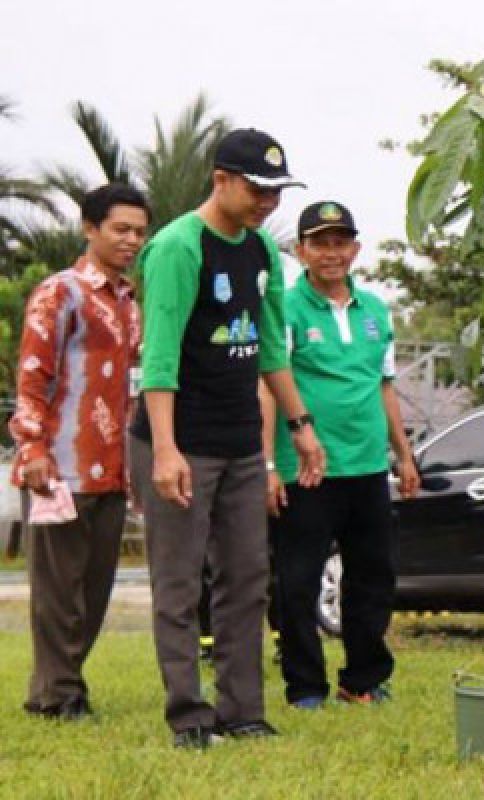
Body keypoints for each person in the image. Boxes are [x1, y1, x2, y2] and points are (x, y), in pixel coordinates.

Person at [129, 128, 326, 749]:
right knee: (181, 582)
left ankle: (242, 711)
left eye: (276, 190)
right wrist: (164, 449)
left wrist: (300, 425)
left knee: (246, 578)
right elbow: (158, 357)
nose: (268, 201)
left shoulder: (262, 250)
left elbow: (269, 347)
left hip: (242, 441)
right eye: (256, 188)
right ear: (220, 181)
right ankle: (189, 716)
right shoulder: (179, 248)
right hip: (180, 439)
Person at [262, 200, 419, 709]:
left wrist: (404, 454)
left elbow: (386, 386)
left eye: (339, 242)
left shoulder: (374, 309)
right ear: (299, 250)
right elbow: (268, 385)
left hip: (369, 466)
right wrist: (268, 464)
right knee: (299, 582)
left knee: (374, 576)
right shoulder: (284, 306)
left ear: (355, 249)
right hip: (308, 469)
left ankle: (364, 678)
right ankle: (305, 686)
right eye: (319, 243)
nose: (330, 253)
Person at [9, 184, 149, 720]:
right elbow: (32, 376)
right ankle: (57, 695)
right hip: (59, 468)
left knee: (94, 590)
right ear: (90, 229)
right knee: (57, 593)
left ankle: (63, 686)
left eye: (139, 231)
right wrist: (33, 447)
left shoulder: (131, 303)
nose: (131, 240)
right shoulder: (59, 293)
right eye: (120, 229)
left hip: (113, 470)